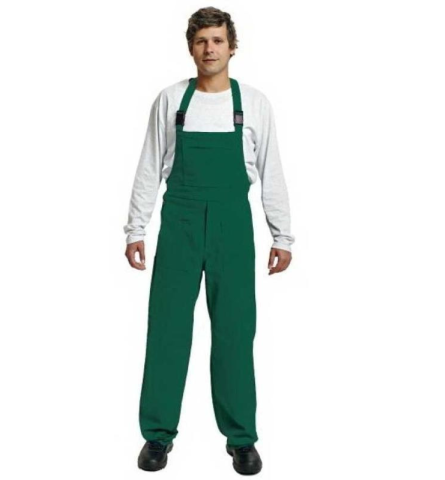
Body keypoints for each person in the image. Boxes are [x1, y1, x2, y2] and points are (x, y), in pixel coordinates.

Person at [123, 7, 295, 475]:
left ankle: (241, 438)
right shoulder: (170, 100)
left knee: (236, 333)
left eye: (218, 40)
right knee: (167, 331)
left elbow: (271, 171)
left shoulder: (254, 103)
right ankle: (157, 435)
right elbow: (149, 165)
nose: (210, 49)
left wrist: (282, 235)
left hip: (232, 224)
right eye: (201, 41)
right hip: (178, 221)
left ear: (232, 47)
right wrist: (136, 228)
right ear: (191, 48)